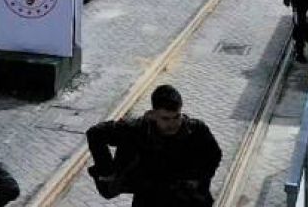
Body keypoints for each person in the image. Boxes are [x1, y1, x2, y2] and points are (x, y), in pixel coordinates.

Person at [85, 84, 222, 206]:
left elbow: (214, 155)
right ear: (154, 114)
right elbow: (96, 133)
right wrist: (107, 170)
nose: (173, 124)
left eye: (176, 117)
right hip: (150, 198)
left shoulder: (196, 130)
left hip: (187, 198)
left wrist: (200, 179)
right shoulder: (138, 130)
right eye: (165, 118)